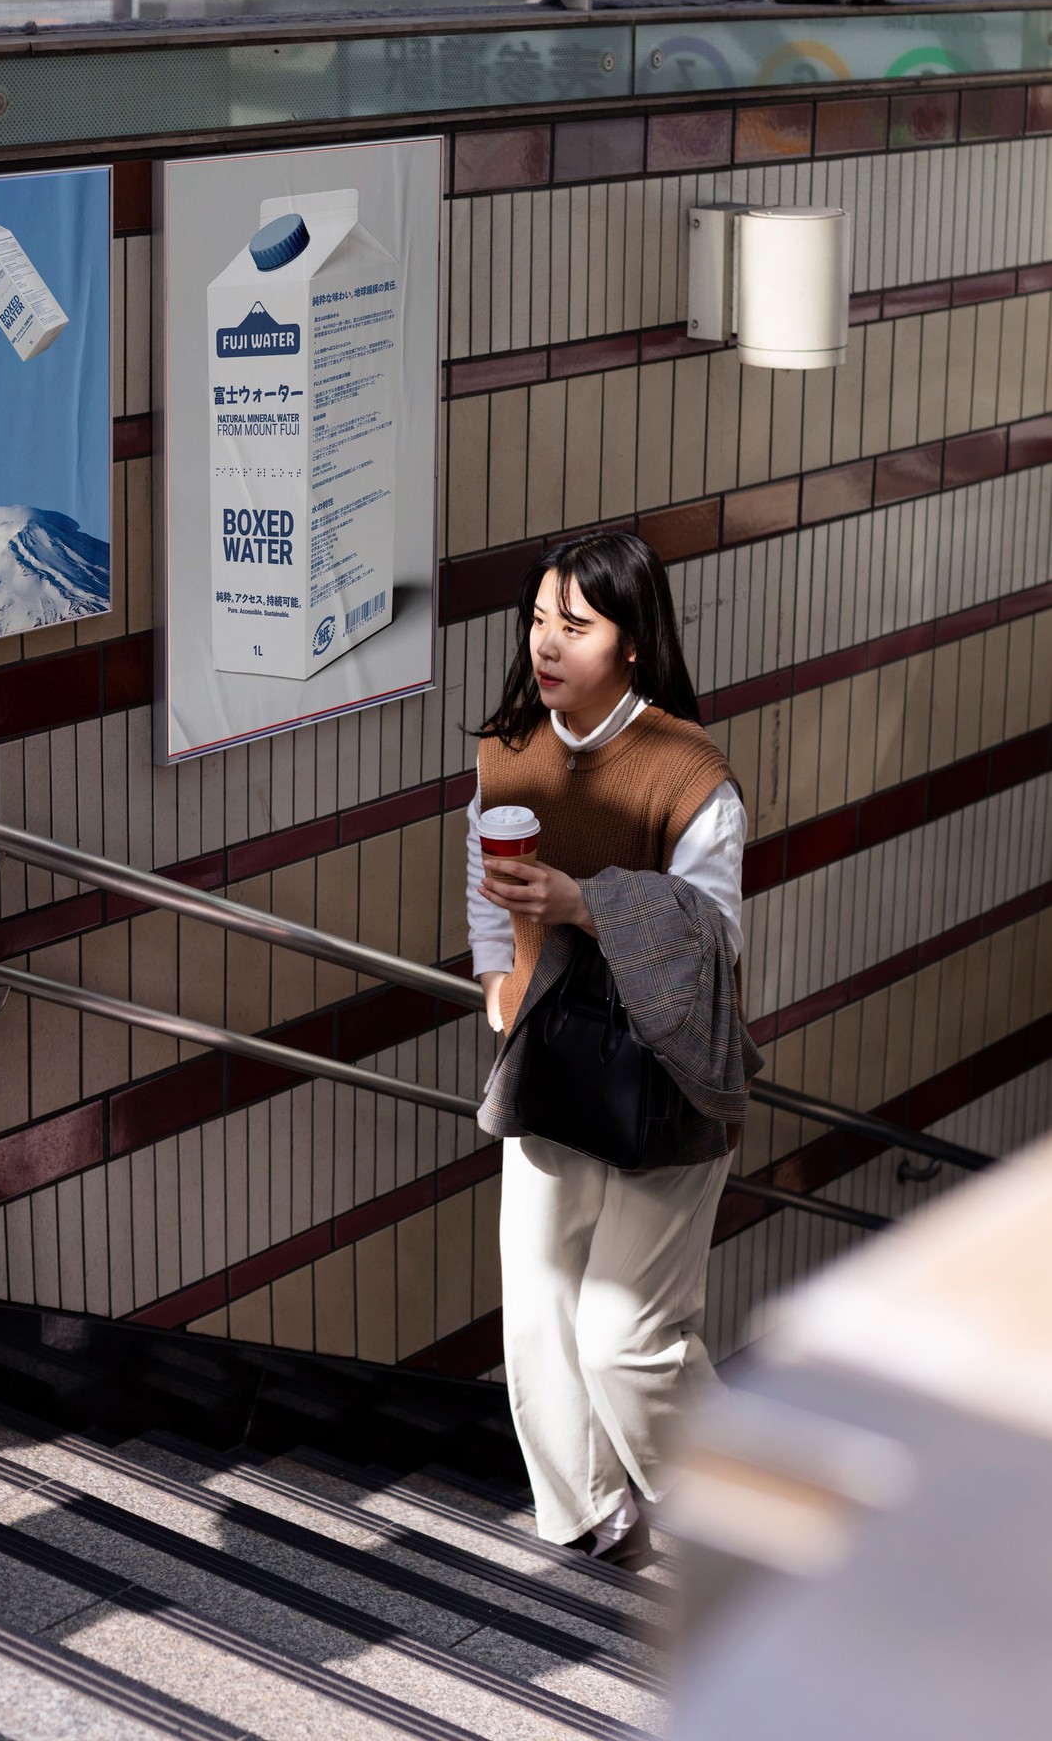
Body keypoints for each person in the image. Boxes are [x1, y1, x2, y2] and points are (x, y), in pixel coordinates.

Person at [466, 529, 748, 1566]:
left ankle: (744, 1516)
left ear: (633, 642)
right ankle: (593, 1519)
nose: (546, 643)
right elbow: (482, 891)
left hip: (668, 1074)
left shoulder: (688, 771)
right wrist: (498, 982)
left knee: (629, 1340)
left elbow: (714, 937)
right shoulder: (506, 748)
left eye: (574, 625)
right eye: (538, 619)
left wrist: (588, 904)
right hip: (546, 1056)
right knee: (538, 1313)